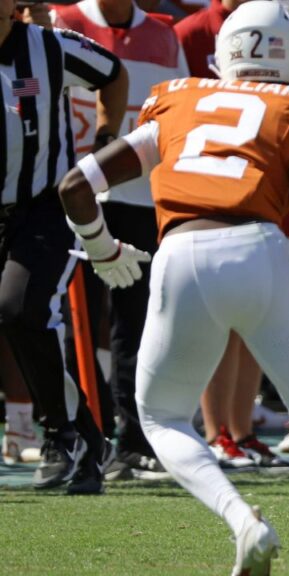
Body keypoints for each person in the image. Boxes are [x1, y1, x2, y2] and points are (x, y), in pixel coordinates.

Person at [57, 3, 289, 574]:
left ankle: (244, 521)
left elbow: (76, 186)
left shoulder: (179, 101)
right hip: (260, 251)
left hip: (181, 254)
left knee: (162, 418)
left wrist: (103, 249)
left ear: (225, 54)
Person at [175, 0, 289, 472]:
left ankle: (241, 431)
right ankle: (215, 432)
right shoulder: (190, 32)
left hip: (275, 187)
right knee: (220, 322)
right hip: (219, 188)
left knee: (257, 321)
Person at [53, 0, 190, 482]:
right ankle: (77, 437)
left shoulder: (163, 33)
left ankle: (132, 440)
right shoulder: (61, 21)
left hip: (140, 196)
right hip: (76, 193)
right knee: (75, 323)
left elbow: (178, 111)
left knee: (138, 320)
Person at [0, 0, 127, 494]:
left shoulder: (51, 47)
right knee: (22, 320)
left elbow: (112, 74)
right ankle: (87, 440)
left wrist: (106, 138)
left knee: (22, 309)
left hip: (42, 207)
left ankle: (60, 435)